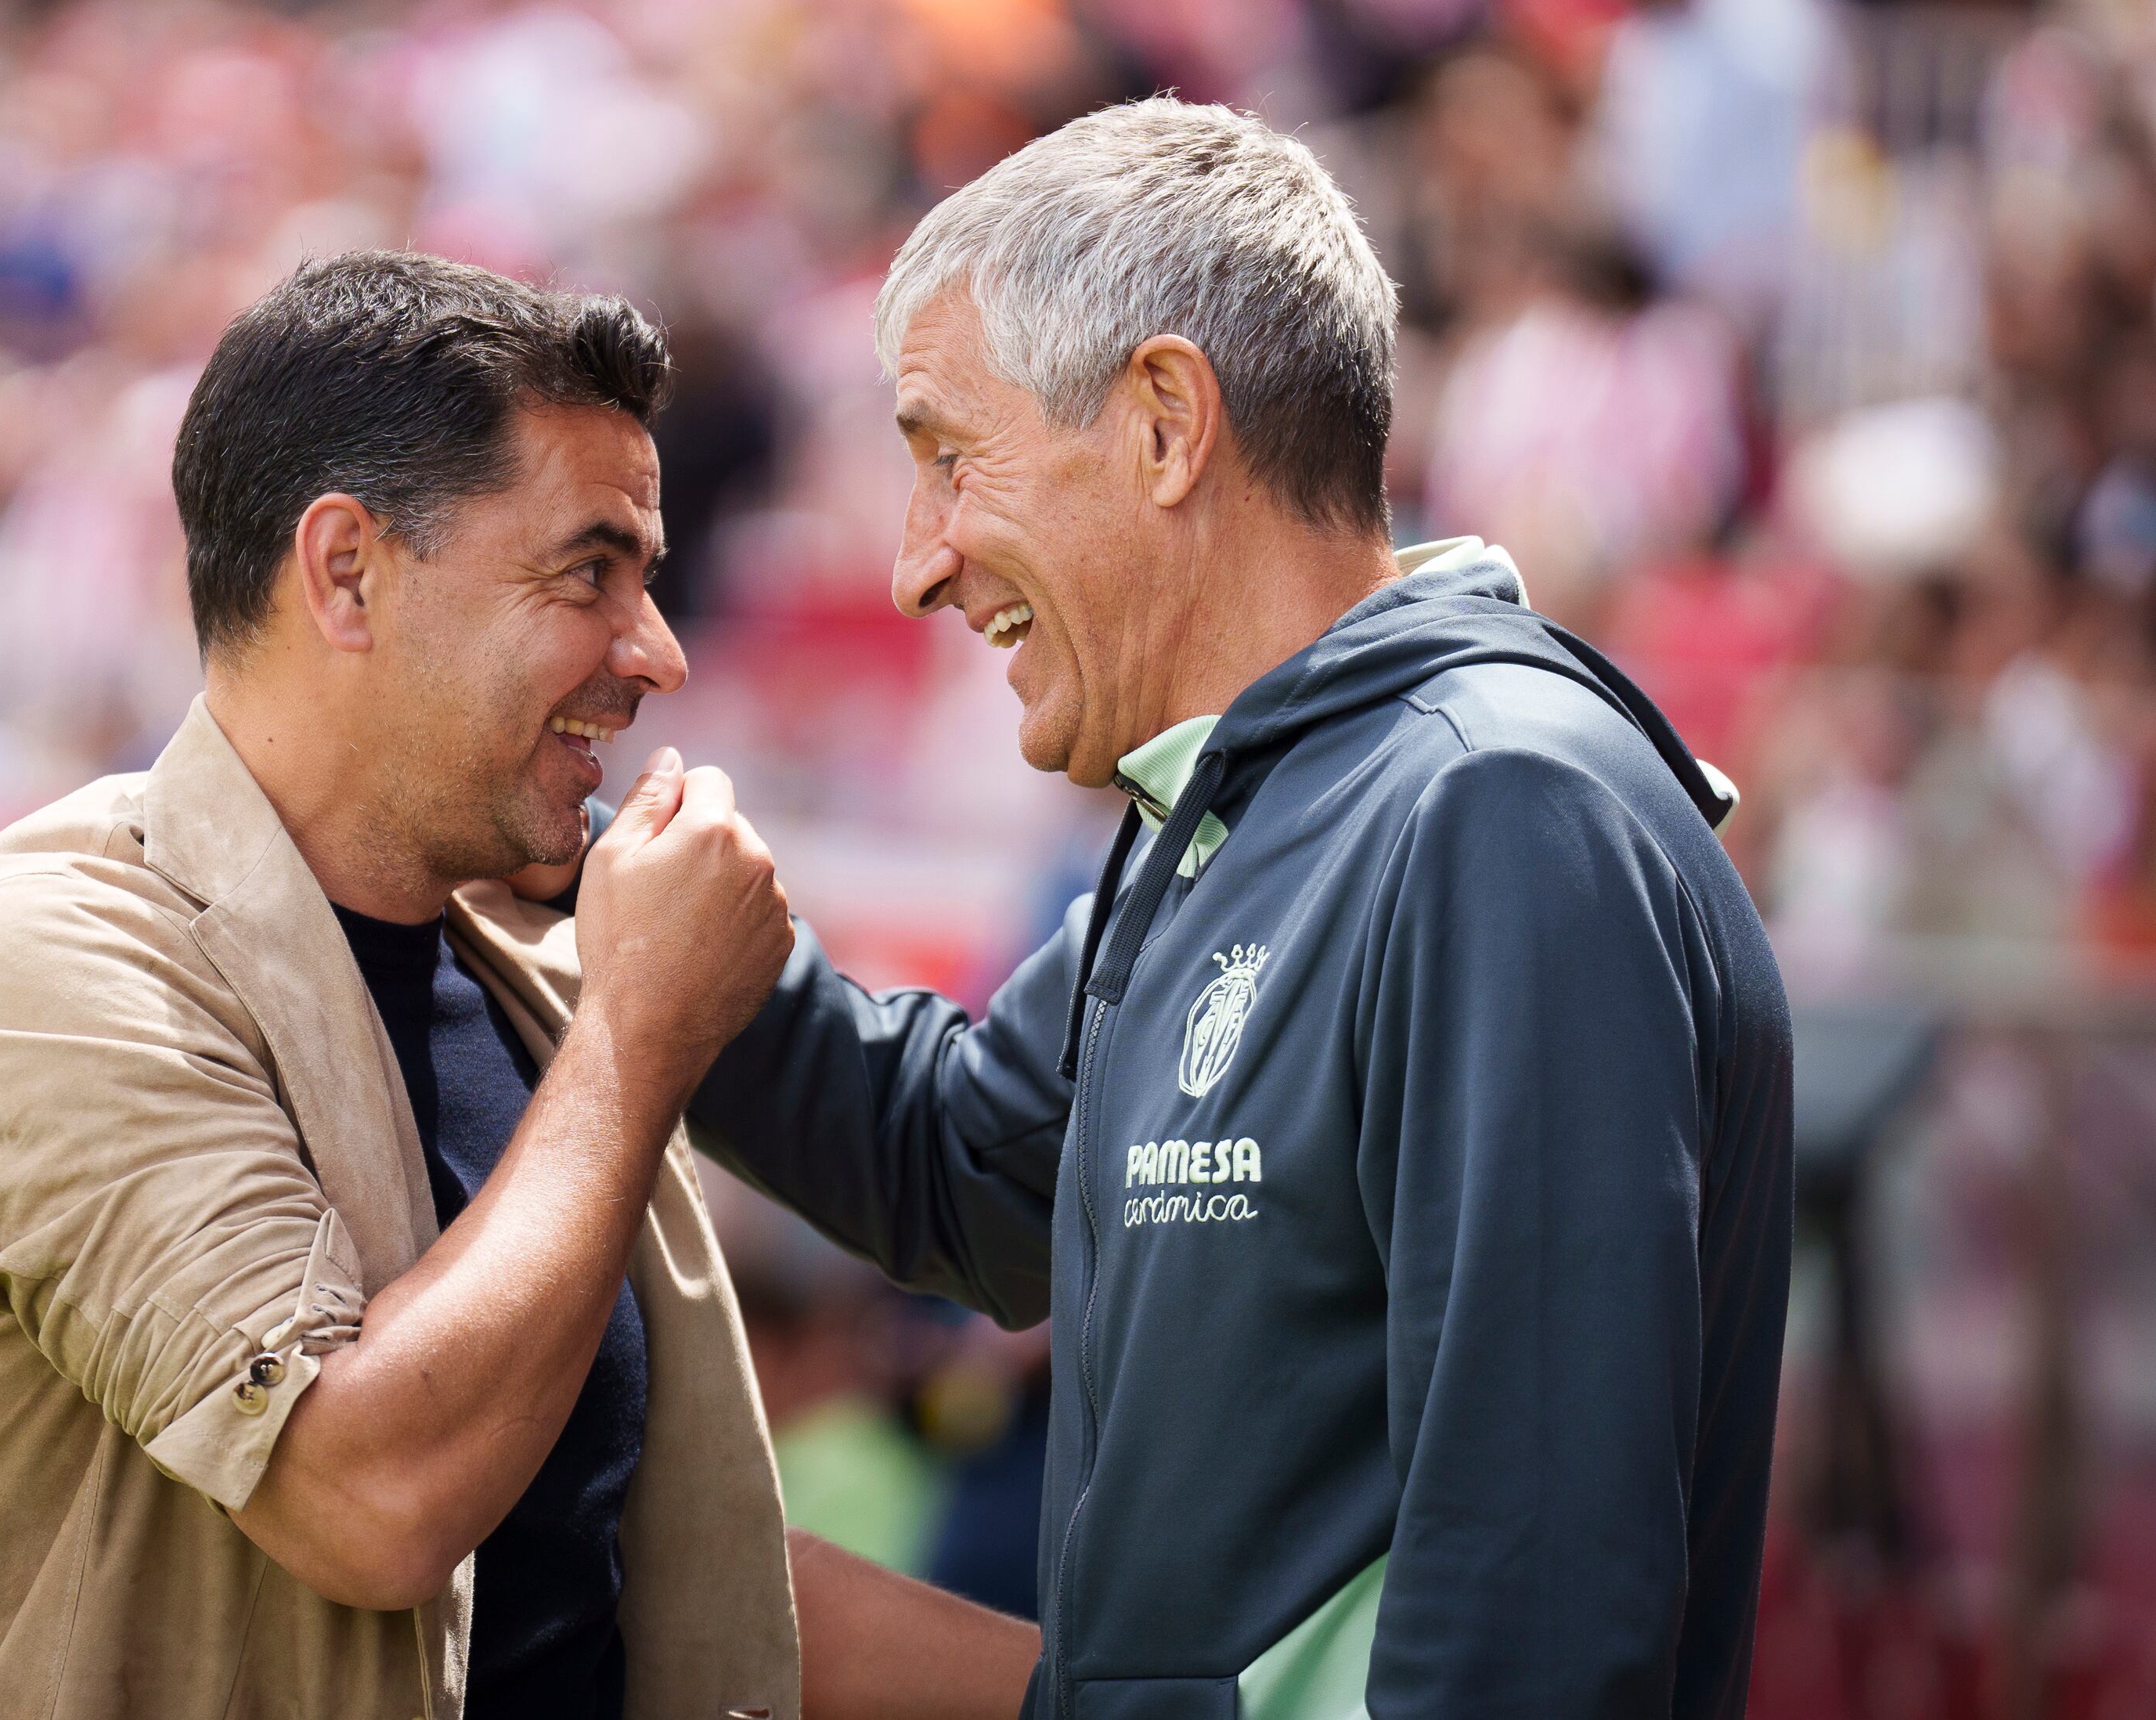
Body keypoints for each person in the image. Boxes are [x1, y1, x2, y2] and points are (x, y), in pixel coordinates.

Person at [688, 99, 1795, 1718]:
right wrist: (585, 888)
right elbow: (969, 1165)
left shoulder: (1494, 807)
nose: (919, 557)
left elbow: (1535, 1613)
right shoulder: (1241, 810)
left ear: (1160, 423)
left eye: (946, 455)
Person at [0, 250, 1039, 1719]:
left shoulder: (534, 963)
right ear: (346, 570)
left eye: (648, 581)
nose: (654, 651)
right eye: (588, 571)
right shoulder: (42, 961)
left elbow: (642, 1581)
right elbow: (372, 1497)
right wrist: (638, 1036)